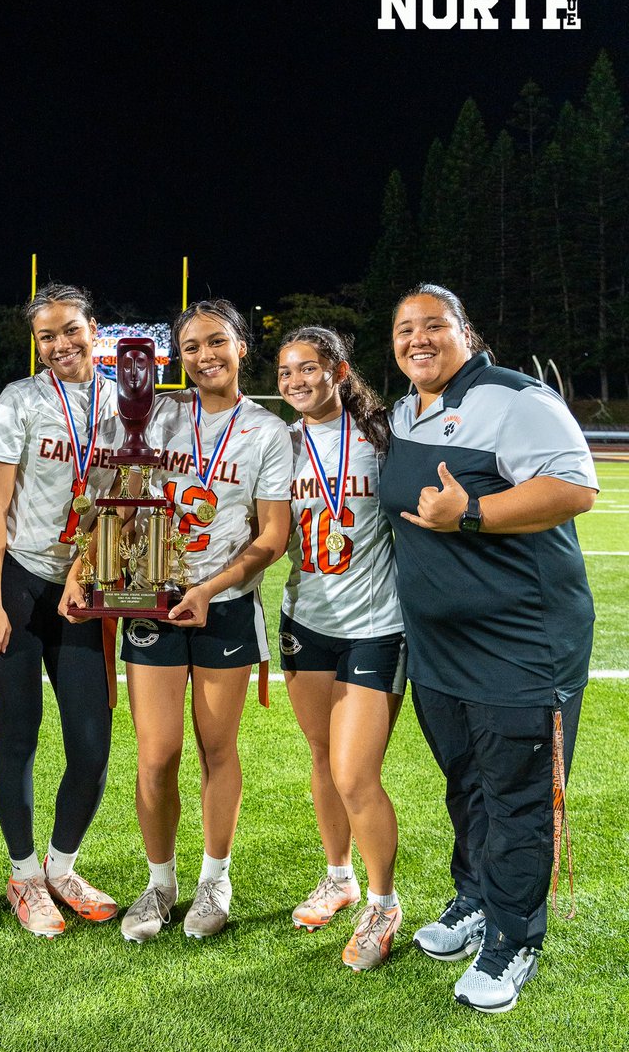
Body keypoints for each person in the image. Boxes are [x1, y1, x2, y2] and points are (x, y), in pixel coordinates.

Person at [380, 283, 597, 1013]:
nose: (418, 339)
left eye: (433, 325)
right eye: (405, 328)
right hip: (441, 649)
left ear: (464, 330)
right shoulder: (408, 409)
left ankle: (514, 939)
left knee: (518, 798)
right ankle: (475, 897)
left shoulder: (514, 396)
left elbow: (573, 488)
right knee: (466, 782)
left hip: (521, 645)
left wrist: (470, 510)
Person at [105, 299, 291, 942]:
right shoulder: (155, 416)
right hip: (152, 599)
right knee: (156, 754)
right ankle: (160, 882)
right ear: (177, 358)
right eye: (191, 346)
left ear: (242, 349)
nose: (204, 355)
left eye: (217, 342)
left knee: (217, 747)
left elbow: (272, 536)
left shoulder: (266, 431)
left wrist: (212, 586)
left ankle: (216, 876)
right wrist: (93, 566)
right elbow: (125, 499)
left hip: (226, 606)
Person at [0, 282, 121, 938]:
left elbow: (128, 503)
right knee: (20, 736)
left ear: (95, 329)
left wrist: (98, 575)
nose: (59, 345)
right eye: (46, 336)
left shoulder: (128, 400)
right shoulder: (21, 399)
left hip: (84, 591)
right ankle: (24, 875)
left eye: (69, 330)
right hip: (22, 584)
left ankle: (62, 867)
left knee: (91, 747)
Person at [276, 327, 406, 971]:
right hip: (306, 620)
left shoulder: (383, 442)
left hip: (375, 624)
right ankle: (339, 874)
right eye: (285, 370)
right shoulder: (281, 444)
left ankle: (383, 901)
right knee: (325, 760)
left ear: (339, 370)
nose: (296, 380)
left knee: (357, 773)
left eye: (308, 368)